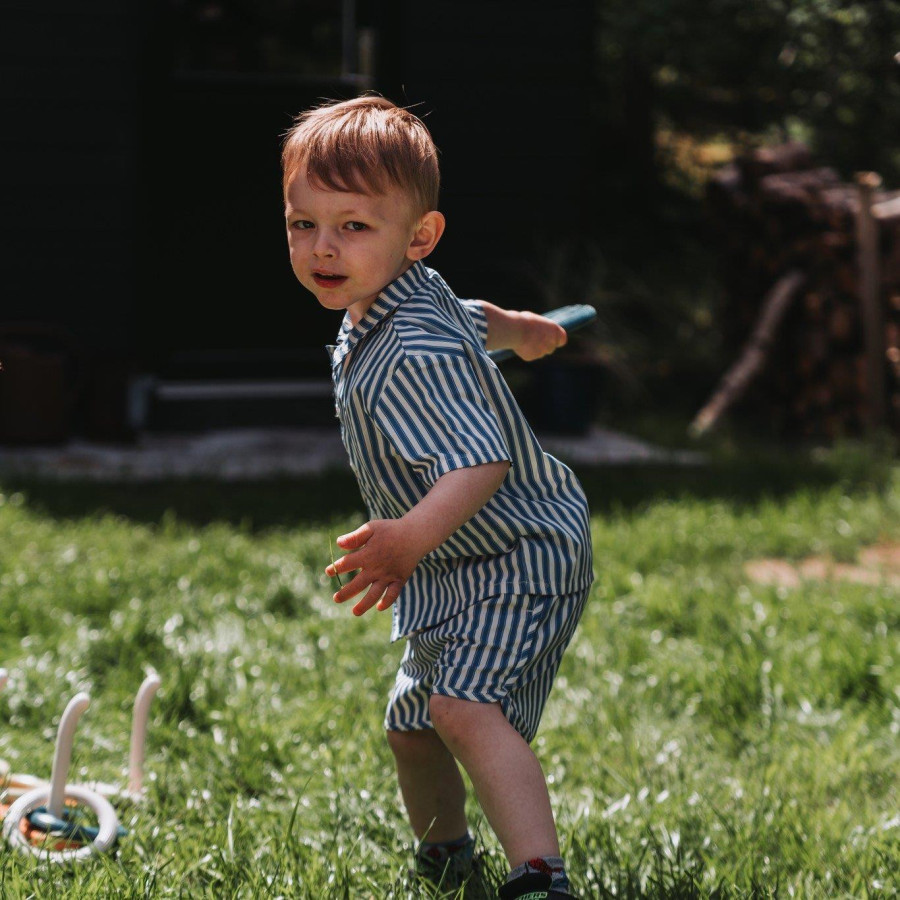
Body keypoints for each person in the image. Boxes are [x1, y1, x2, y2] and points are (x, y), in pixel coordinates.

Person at [281, 94, 594, 900]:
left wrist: (408, 539)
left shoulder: (408, 348)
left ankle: (539, 877)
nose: (323, 246)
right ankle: (448, 863)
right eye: (302, 223)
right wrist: (522, 329)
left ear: (418, 237)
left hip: (517, 552)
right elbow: (467, 316)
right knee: (411, 726)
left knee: (459, 707)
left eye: (353, 226)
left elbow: (482, 462)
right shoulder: (394, 301)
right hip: (455, 562)